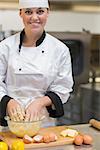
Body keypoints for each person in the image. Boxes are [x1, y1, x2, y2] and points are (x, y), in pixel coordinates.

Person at [0, 0, 73, 127]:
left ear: (47, 13)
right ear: (20, 13)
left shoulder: (60, 50)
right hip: (11, 122)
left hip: (44, 122)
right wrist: (9, 102)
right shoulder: (5, 47)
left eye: (40, 11)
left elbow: (63, 88)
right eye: (28, 12)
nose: (34, 17)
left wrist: (39, 103)